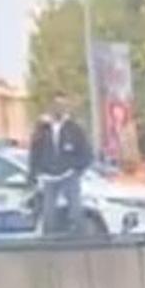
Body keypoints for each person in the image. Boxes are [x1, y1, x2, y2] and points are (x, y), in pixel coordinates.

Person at [28, 93, 93, 236]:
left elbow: (86, 153)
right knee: (48, 214)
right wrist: (33, 174)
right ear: (51, 107)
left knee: (76, 211)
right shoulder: (43, 129)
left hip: (68, 175)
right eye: (56, 105)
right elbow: (34, 152)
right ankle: (51, 244)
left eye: (63, 105)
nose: (59, 108)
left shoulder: (74, 128)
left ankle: (80, 240)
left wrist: (76, 169)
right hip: (49, 177)